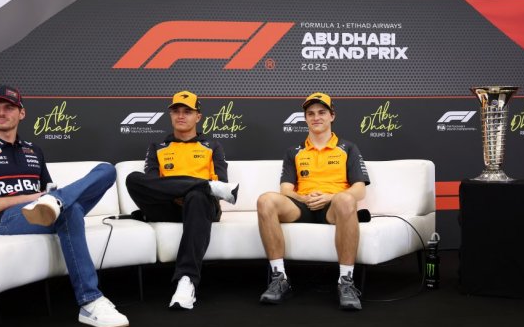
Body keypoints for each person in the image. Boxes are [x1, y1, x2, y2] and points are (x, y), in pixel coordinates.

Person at [0, 85, 129, 327]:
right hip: (7, 220)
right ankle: (90, 301)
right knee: (69, 210)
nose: (1, 113)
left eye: (8, 107)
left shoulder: (33, 150)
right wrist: (30, 197)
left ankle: (59, 202)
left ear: (22, 113)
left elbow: (48, 191)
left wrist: (50, 198)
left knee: (106, 170)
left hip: (44, 207)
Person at [125, 90, 238, 310]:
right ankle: (202, 185)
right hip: (168, 206)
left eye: (187, 111)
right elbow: (151, 185)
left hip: (202, 206)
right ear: (170, 115)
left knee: (197, 196)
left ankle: (186, 280)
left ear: (198, 117)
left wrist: (189, 191)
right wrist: (185, 189)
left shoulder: (212, 146)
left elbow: (222, 186)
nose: (180, 115)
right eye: (176, 111)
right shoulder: (157, 147)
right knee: (133, 179)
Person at [257, 92, 370, 310]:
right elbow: (285, 189)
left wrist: (330, 197)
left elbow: (359, 189)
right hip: (302, 205)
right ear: (306, 118)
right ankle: (279, 279)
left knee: (347, 200)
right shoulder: (294, 151)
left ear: (332, 116)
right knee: (265, 200)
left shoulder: (348, 148)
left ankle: (346, 282)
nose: (316, 117)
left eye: (321, 112)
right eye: (310, 113)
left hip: (334, 206)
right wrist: (303, 197)